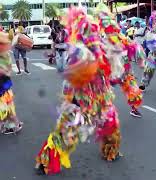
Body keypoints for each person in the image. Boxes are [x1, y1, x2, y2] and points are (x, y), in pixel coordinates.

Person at [34, 4, 134, 175]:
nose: (92, 33)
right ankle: (46, 162)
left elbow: (115, 69)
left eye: (92, 30)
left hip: (101, 98)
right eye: (88, 30)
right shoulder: (78, 52)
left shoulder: (101, 47)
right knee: (67, 133)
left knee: (111, 125)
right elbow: (70, 80)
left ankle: (110, 151)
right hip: (81, 100)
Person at [0, 31, 23, 135]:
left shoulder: (6, 55)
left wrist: (4, 71)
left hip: (4, 87)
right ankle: (14, 124)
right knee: (6, 109)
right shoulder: (5, 55)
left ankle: (14, 124)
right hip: (4, 87)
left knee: (7, 109)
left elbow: (8, 71)